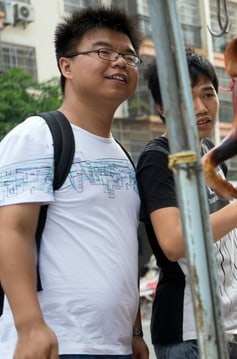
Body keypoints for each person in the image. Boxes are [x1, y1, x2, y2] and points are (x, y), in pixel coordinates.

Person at [0, 6, 148, 358]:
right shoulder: (38, 135)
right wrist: (30, 326)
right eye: (103, 52)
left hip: (115, 346)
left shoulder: (122, 156)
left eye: (128, 55)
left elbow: (122, 250)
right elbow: (11, 231)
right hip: (57, 343)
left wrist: (135, 331)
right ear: (66, 66)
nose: (119, 62)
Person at [137, 49, 237, 357]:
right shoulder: (158, 159)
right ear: (163, 107)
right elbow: (174, 243)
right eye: (185, 98)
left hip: (228, 325)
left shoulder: (212, 157)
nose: (200, 108)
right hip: (187, 331)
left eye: (208, 94)